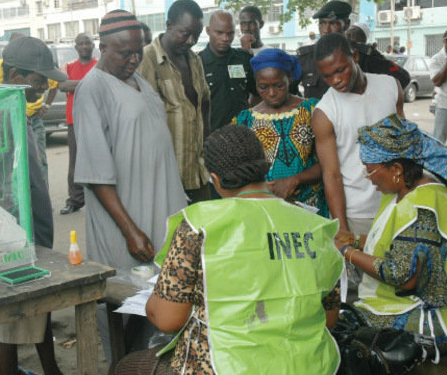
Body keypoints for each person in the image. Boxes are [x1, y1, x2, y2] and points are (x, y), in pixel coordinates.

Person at [113, 125, 343, 375]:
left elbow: (167, 320)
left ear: (216, 179)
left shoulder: (199, 226)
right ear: (263, 167)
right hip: (310, 365)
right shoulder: (316, 227)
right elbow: (329, 319)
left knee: (126, 367)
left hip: (222, 366)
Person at [73, 10, 187, 362]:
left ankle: (150, 364)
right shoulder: (92, 89)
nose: (134, 59)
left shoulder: (138, 79)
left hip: (159, 209)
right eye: (125, 53)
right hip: (126, 222)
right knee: (123, 303)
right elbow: (94, 174)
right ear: (102, 47)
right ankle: (121, 367)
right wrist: (131, 230)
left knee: (160, 299)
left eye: (138, 50)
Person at [336, 114, 447, 358]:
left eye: (370, 172)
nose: (369, 180)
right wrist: (356, 241)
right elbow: (399, 245)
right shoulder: (401, 190)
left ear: (397, 169)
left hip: (440, 318)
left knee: (347, 324)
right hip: (416, 300)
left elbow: (403, 276)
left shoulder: (423, 204)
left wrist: (347, 253)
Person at [0, 36, 66, 375]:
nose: (42, 88)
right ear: (14, 78)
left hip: (33, 234)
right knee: (13, 314)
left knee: (36, 307)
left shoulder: (17, 112)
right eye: (38, 82)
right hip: (16, 237)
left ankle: (48, 366)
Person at [312, 33, 403, 237]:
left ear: (355, 56)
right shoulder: (324, 112)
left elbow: (405, 144)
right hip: (358, 213)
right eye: (326, 76)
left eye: (340, 70)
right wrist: (342, 227)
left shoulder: (391, 86)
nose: (335, 80)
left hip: (398, 202)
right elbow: (331, 174)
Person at [233, 49, 328, 217]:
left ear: (290, 79)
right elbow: (241, 170)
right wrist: (263, 188)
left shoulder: (312, 110)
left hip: (310, 205)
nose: (271, 93)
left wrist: (295, 179)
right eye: (263, 87)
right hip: (268, 208)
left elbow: (329, 163)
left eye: (279, 85)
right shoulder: (245, 120)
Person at [138, 0, 211, 203]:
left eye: (196, 35)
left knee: (203, 231)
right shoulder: (147, 59)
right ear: (169, 25)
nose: (191, 41)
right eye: (185, 33)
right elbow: (142, 120)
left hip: (198, 172)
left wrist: (207, 140)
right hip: (167, 177)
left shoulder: (195, 60)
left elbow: (204, 102)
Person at [0, 32, 59, 185]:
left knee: (38, 164)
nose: (45, 86)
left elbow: (54, 86)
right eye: (39, 81)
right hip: (13, 120)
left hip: (33, 119)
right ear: (14, 75)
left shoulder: (41, 67)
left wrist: (46, 105)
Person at [297, 1, 409, 99]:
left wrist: (375, 104)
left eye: (333, 23)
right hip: (318, 121)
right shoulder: (306, 57)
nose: (326, 30)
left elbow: (402, 78)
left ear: (346, 24)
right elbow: (286, 91)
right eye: (322, 23)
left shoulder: (363, 55)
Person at [58, 33, 97, 215]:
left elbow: (100, 86)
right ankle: (74, 201)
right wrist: (87, 84)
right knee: (75, 163)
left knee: (98, 159)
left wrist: (76, 84)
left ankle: (99, 201)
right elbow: (63, 86)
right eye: (80, 43)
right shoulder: (68, 66)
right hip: (74, 120)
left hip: (96, 120)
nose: (84, 46)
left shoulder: (98, 66)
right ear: (75, 47)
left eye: (87, 43)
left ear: (93, 45)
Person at [199, 11, 257, 133]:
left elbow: (258, 92)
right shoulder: (197, 63)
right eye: (219, 33)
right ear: (208, 31)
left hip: (243, 134)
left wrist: (248, 115)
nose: (225, 38)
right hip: (212, 139)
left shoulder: (244, 59)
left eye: (230, 34)